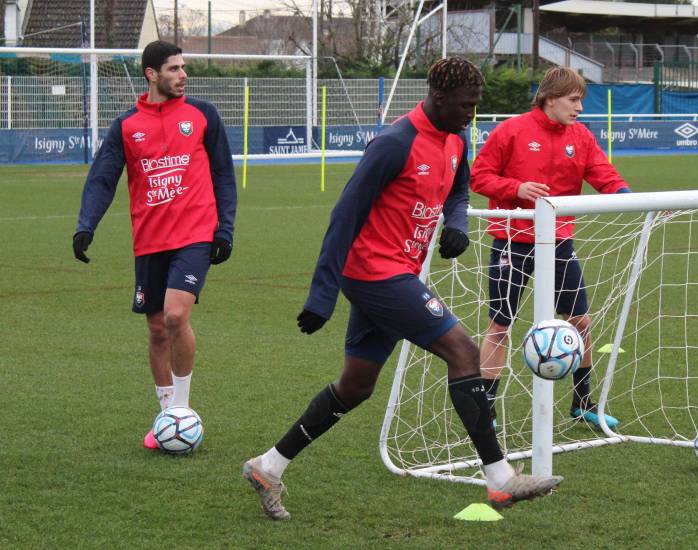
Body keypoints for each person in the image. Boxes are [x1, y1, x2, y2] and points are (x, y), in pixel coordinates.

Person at [242, 57, 562, 521]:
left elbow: (458, 186)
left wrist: (455, 223)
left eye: (476, 105)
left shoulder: (455, 137)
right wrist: (321, 294)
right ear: (438, 98)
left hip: (399, 272)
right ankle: (500, 479)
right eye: (466, 105)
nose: (472, 114)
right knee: (465, 353)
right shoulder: (393, 144)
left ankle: (267, 466)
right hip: (375, 272)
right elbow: (343, 217)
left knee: (355, 386)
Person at [72, 40, 237, 450]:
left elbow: (223, 174)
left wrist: (225, 228)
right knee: (156, 330)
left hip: (195, 235)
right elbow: (102, 177)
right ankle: (166, 414)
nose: (183, 75)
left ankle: (181, 412)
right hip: (149, 240)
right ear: (151, 74)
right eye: (174, 69)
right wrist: (85, 225)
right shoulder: (126, 125)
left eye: (183, 68)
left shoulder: (202, 115)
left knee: (176, 318)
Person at [469, 66, 631, 432]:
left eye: (581, 101)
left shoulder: (581, 136)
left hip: (558, 243)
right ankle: (486, 409)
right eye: (574, 100)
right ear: (550, 98)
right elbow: (478, 175)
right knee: (500, 325)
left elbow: (604, 175)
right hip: (513, 242)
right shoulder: (511, 131)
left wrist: (629, 198)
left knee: (580, 322)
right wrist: (516, 189)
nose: (579, 108)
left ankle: (583, 402)